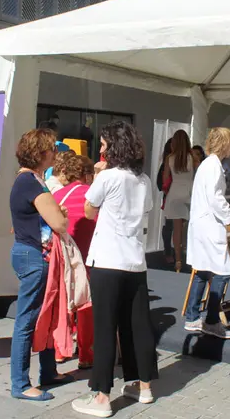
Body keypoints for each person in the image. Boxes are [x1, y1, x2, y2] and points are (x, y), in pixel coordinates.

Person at [71, 121, 157, 418]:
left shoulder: (108, 176)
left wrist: (97, 175)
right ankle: (143, 386)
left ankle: (101, 396)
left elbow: (88, 210)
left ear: (115, 147)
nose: (102, 149)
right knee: (138, 325)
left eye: (105, 144)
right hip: (135, 260)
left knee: (105, 327)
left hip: (108, 260)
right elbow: (145, 210)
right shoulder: (143, 180)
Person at [9, 128, 72, 401]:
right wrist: (61, 216)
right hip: (34, 256)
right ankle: (21, 383)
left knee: (44, 314)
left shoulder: (28, 180)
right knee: (27, 320)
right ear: (41, 153)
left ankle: (48, 371)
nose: (55, 154)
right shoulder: (31, 182)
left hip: (30, 253)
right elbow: (58, 223)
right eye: (52, 149)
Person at [185, 127, 230, 340]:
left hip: (202, 224)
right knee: (222, 271)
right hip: (209, 225)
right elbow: (216, 199)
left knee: (203, 269)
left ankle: (192, 316)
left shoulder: (209, 165)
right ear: (224, 143)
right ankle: (212, 321)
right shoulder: (213, 166)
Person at [52, 155, 96, 369]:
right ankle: (86, 354)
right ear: (86, 175)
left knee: (63, 300)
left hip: (63, 254)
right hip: (87, 255)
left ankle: (60, 350)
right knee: (85, 303)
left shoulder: (57, 195)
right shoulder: (92, 195)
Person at [163, 130, 197, 272]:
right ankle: (193, 257)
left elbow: (165, 179)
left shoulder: (170, 158)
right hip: (190, 194)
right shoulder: (192, 157)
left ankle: (178, 260)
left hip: (175, 193)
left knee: (176, 230)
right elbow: (199, 175)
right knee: (193, 227)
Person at [156, 139, 175, 264]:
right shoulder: (166, 163)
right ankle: (168, 251)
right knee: (169, 225)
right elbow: (160, 183)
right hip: (170, 198)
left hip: (181, 197)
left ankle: (174, 251)